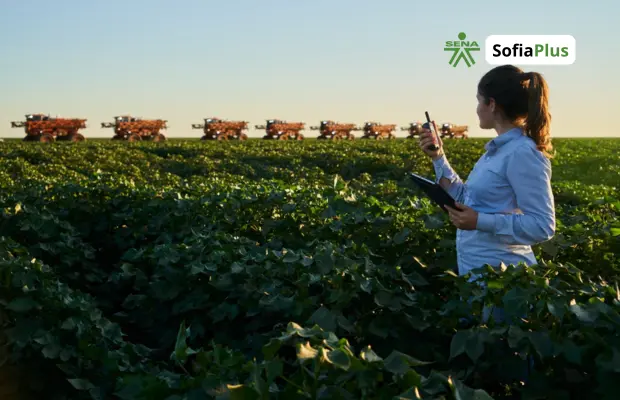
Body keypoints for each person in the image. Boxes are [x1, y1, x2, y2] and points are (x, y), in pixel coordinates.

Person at [418, 64, 556, 324]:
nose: (477, 108)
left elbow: (543, 226)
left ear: (492, 104)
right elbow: (468, 199)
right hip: (480, 279)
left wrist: (479, 220)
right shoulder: (496, 151)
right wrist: (438, 157)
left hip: (506, 285)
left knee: (506, 359)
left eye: (479, 101)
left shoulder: (523, 153)